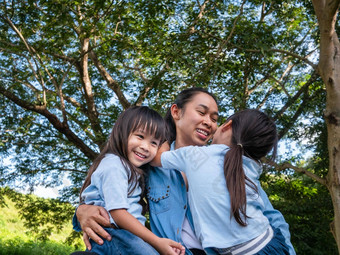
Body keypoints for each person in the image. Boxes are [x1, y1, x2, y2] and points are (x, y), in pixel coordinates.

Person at [74, 88, 295, 255]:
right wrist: (82, 211)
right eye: (202, 112)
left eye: (215, 119)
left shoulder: (230, 165)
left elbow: (272, 218)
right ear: (176, 112)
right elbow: (113, 191)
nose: (208, 122)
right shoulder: (148, 163)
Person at [151, 109, 290, 254]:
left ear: (227, 126)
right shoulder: (250, 166)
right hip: (271, 242)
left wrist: (168, 136)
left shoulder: (195, 155)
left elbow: (156, 158)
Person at [77, 106, 185, 255]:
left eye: (154, 143)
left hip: (124, 237)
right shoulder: (114, 165)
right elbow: (118, 213)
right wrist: (157, 242)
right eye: (140, 136)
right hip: (117, 236)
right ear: (122, 133)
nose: (145, 147)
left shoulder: (134, 170)